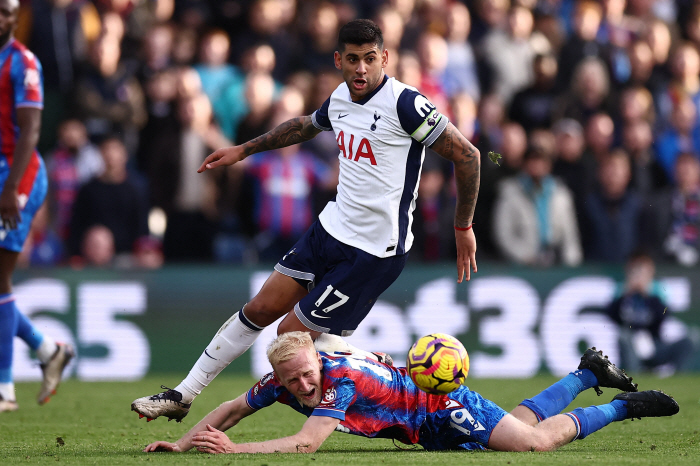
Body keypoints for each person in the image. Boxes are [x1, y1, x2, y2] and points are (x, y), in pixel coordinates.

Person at [132, 19, 480, 421]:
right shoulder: (341, 98)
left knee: (288, 336)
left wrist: (463, 226)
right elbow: (304, 126)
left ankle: (368, 362)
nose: (361, 69)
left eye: (370, 59)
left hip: (373, 250)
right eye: (352, 60)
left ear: (385, 58)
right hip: (330, 229)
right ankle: (183, 395)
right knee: (260, 308)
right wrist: (244, 149)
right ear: (338, 61)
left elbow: (468, 155)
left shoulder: (406, 104)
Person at [142, 332, 678, 454]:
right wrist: (186, 443)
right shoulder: (283, 377)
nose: (304, 385)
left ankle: (623, 406)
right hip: (422, 419)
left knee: (533, 444)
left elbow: (307, 444)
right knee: (516, 424)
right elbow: (234, 408)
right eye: (292, 383)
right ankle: (586, 373)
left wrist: (235, 452)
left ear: (315, 357)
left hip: (438, 407)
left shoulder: (339, 380)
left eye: (307, 375)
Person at [0, 0, 73, 412]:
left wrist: (12, 188)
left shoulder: (23, 62)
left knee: (1, 279)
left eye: (6, 11)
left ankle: (4, 389)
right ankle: (48, 351)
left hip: (18, 174)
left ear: (15, 17)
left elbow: (30, 130)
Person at [605, 252, 696, 375]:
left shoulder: (657, 289)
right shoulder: (622, 290)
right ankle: (633, 379)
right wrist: (626, 294)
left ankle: (678, 377)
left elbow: (663, 315)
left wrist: (647, 295)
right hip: (631, 345)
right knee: (624, 337)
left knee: (692, 339)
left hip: (655, 344)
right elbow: (611, 315)